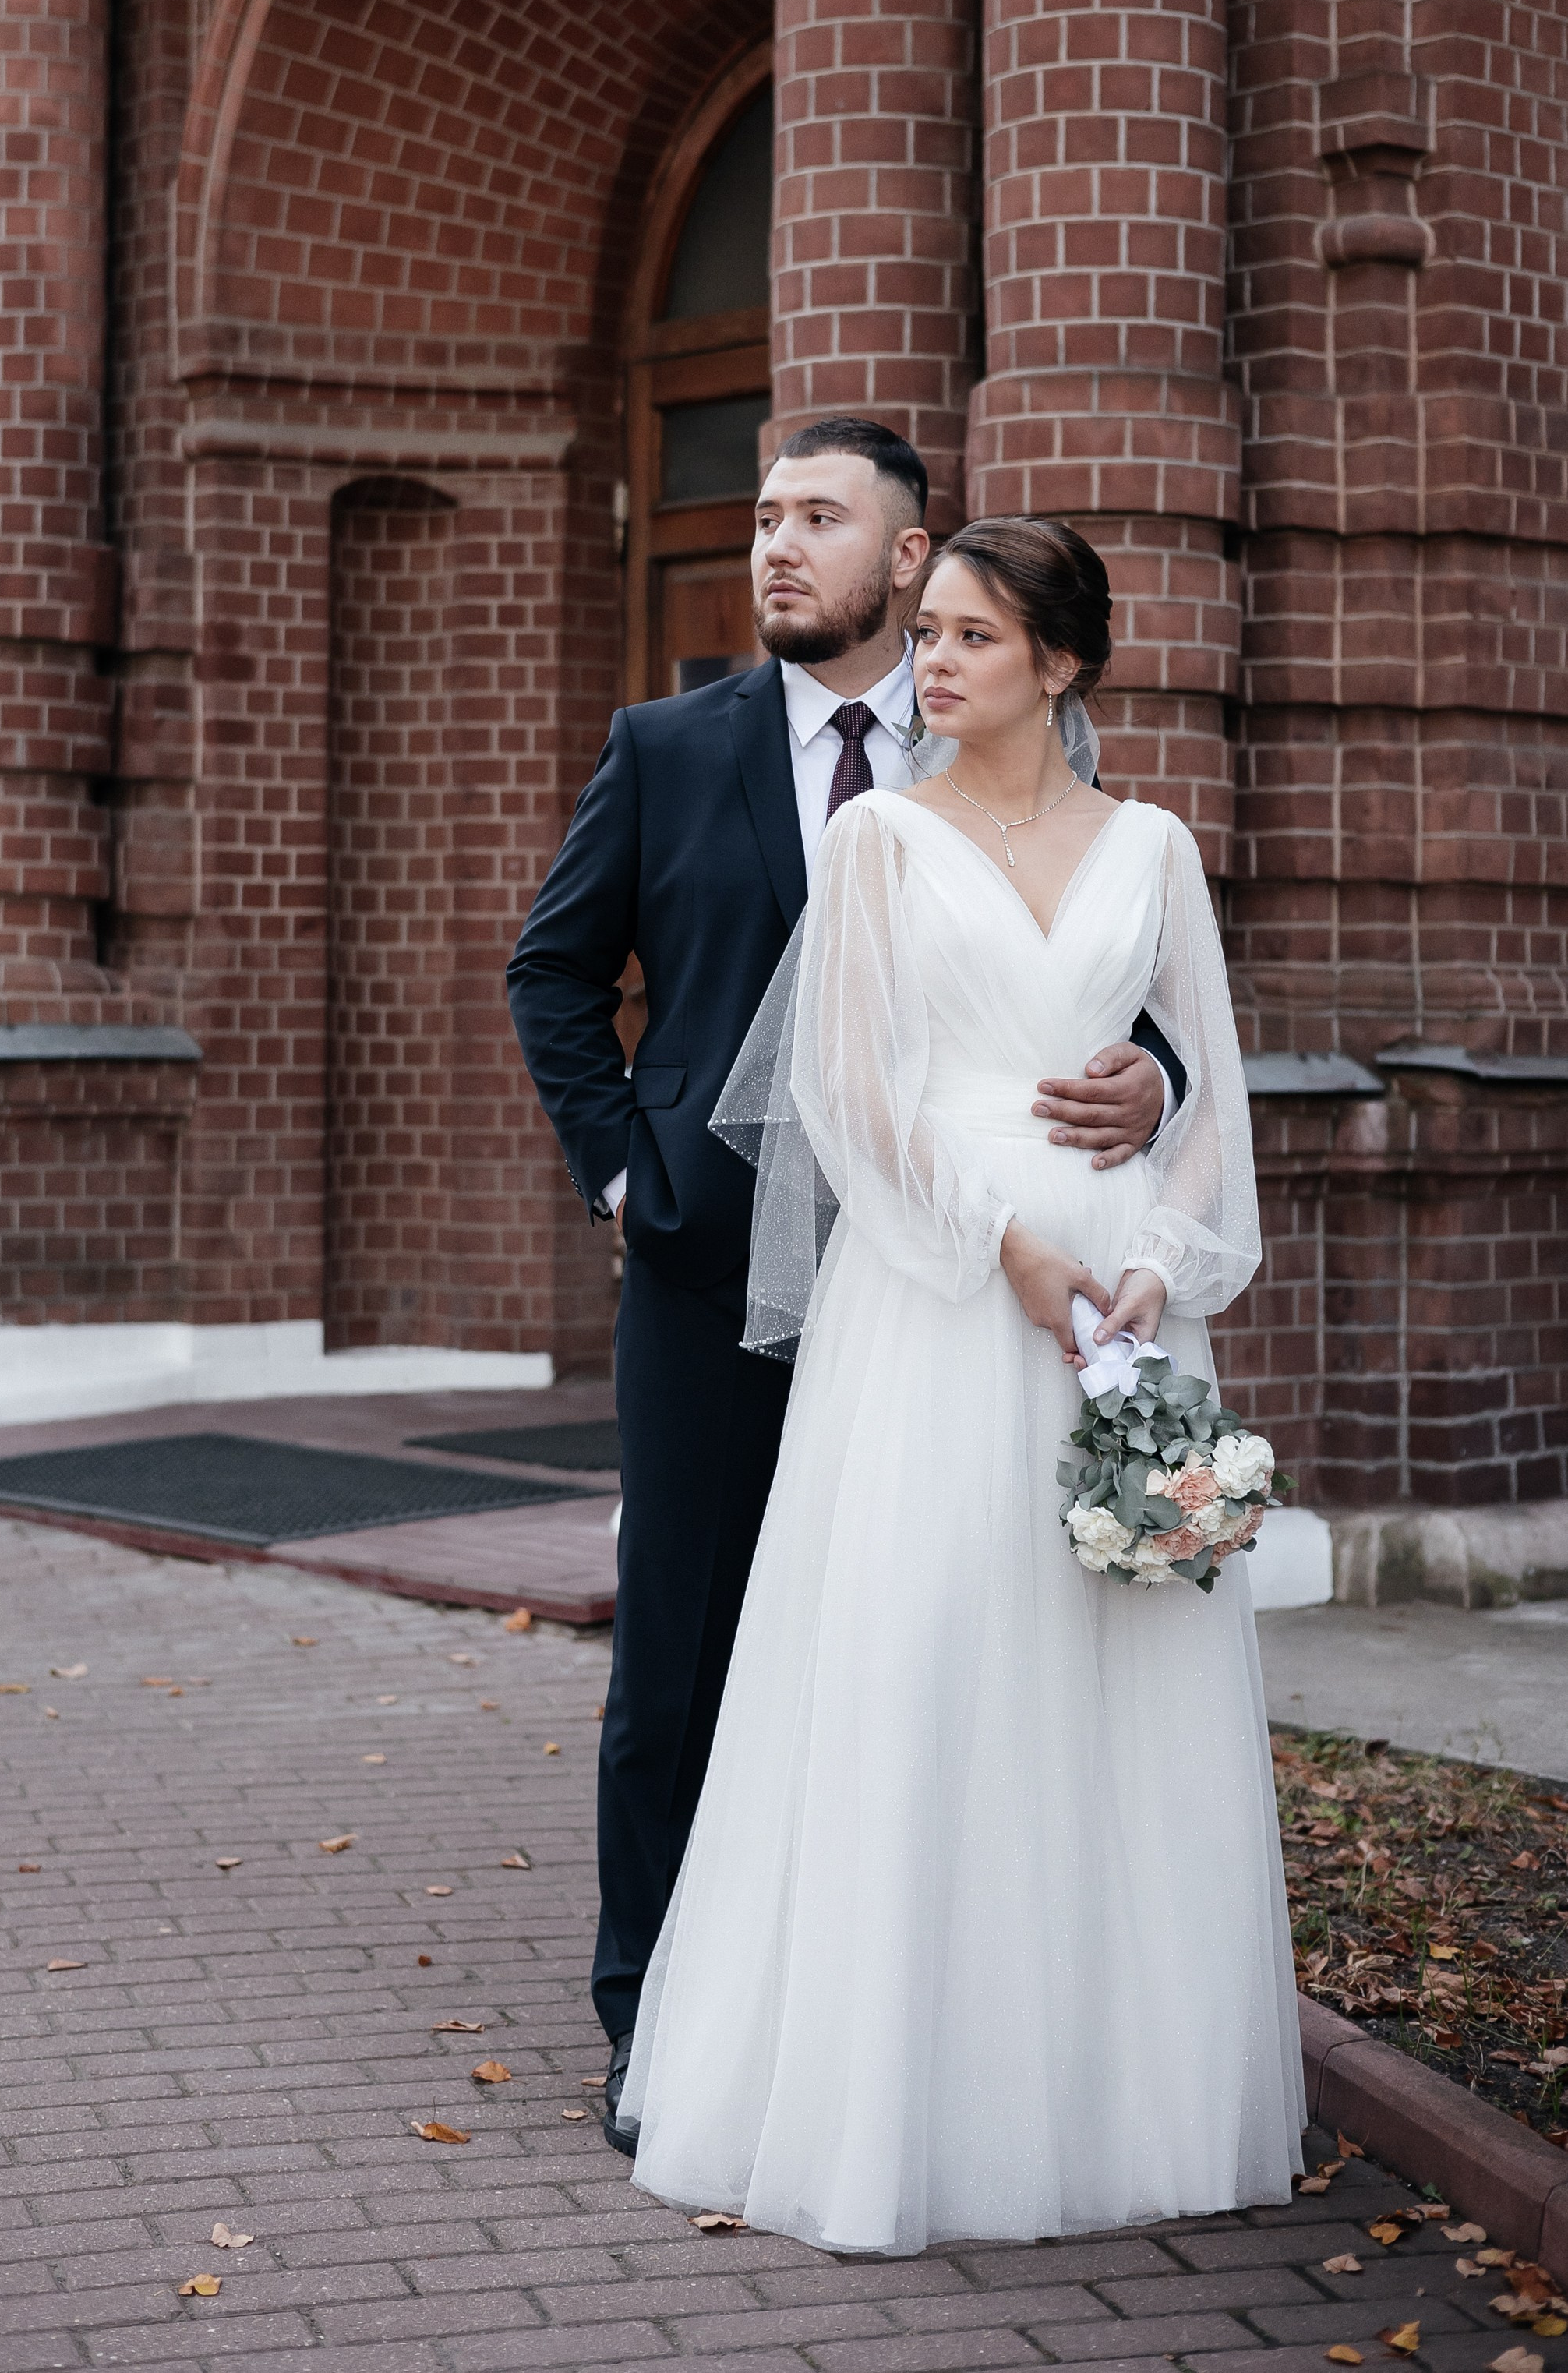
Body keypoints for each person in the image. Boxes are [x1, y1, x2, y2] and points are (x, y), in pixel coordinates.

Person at [616, 514, 1305, 2251]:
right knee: (931, 1659)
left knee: (1118, 1671)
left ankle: (1113, 2099)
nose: (931, 663)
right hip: (939, 1288)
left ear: (1058, 664)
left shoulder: (1154, 844)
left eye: (972, 638)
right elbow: (850, 1092)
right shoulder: (877, 843)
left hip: (1122, 1293)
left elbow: (1210, 1088)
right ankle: (897, 2098)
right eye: (925, 632)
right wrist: (1003, 1245)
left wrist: (1159, 1257)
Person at [506, 421, 1185, 2151]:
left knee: (905, 1645)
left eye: (820, 516)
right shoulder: (668, 745)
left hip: (945, 1296)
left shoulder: (1014, 751)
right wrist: (628, 1172)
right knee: (686, 1649)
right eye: (760, 516)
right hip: (711, 1264)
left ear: (907, 555)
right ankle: (659, 2015)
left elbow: (1100, 984)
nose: (775, 546)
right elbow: (556, 970)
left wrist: (1156, 1082)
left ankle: (895, 2012)